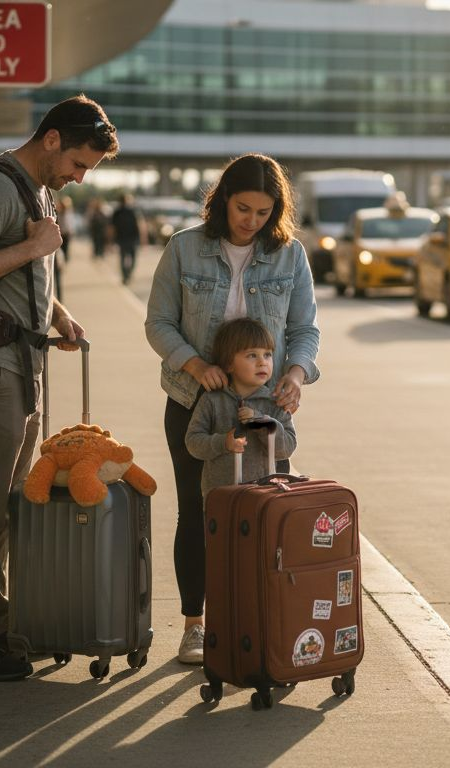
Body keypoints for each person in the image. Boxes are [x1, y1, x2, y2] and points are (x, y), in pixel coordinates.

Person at [0, 94, 119, 682]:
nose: (79, 177)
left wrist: (56, 314)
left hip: (19, 363)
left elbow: (15, 268)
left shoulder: (36, 192)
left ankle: (2, 623)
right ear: (53, 139)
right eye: (79, 164)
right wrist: (36, 248)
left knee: (9, 508)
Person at [145, 153, 320, 665]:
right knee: (199, 515)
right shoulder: (184, 249)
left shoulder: (290, 256)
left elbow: (306, 329)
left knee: (267, 514)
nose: (251, 221)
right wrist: (197, 367)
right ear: (223, 200)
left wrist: (296, 373)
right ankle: (196, 627)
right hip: (194, 402)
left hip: (266, 411)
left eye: (263, 212)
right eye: (243, 208)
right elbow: (159, 324)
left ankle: (262, 616)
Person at [185, 318, 297, 497]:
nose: (262, 362)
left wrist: (264, 424)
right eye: (252, 355)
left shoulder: (275, 402)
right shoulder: (212, 400)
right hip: (221, 498)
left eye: (267, 354)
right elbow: (193, 443)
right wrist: (223, 443)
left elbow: (287, 448)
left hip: (264, 496)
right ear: (229, 364)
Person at [110, 192, 146, 284]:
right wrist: (143, 238)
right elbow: (140, 225)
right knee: (130, 258)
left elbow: (111, 228)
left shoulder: (119, 212)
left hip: (126, 238)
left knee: (125, 258)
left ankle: (126, 275)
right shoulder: (132, 211)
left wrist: (110, 240)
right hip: (129, 238)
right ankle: (127, 274)